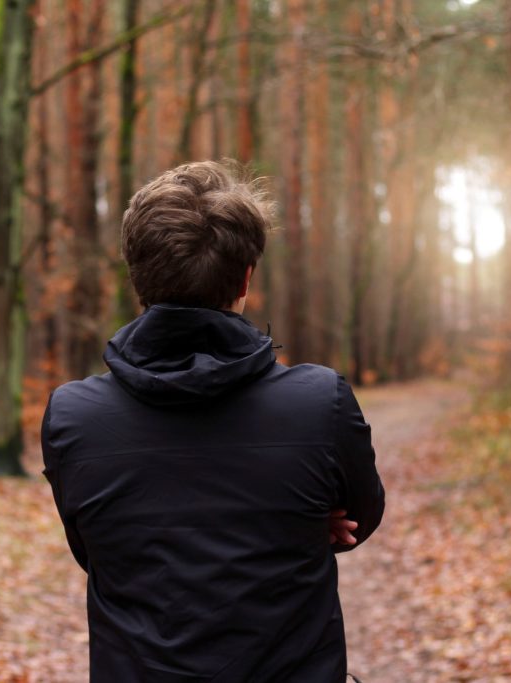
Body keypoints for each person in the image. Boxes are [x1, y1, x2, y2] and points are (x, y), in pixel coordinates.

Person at [42, 160, 385, 682]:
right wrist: (295, 525)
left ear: (138, 277)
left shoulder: (72, 416)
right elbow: (360, 520)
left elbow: (98, 551)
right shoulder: (320, 403)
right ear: (246, 277)